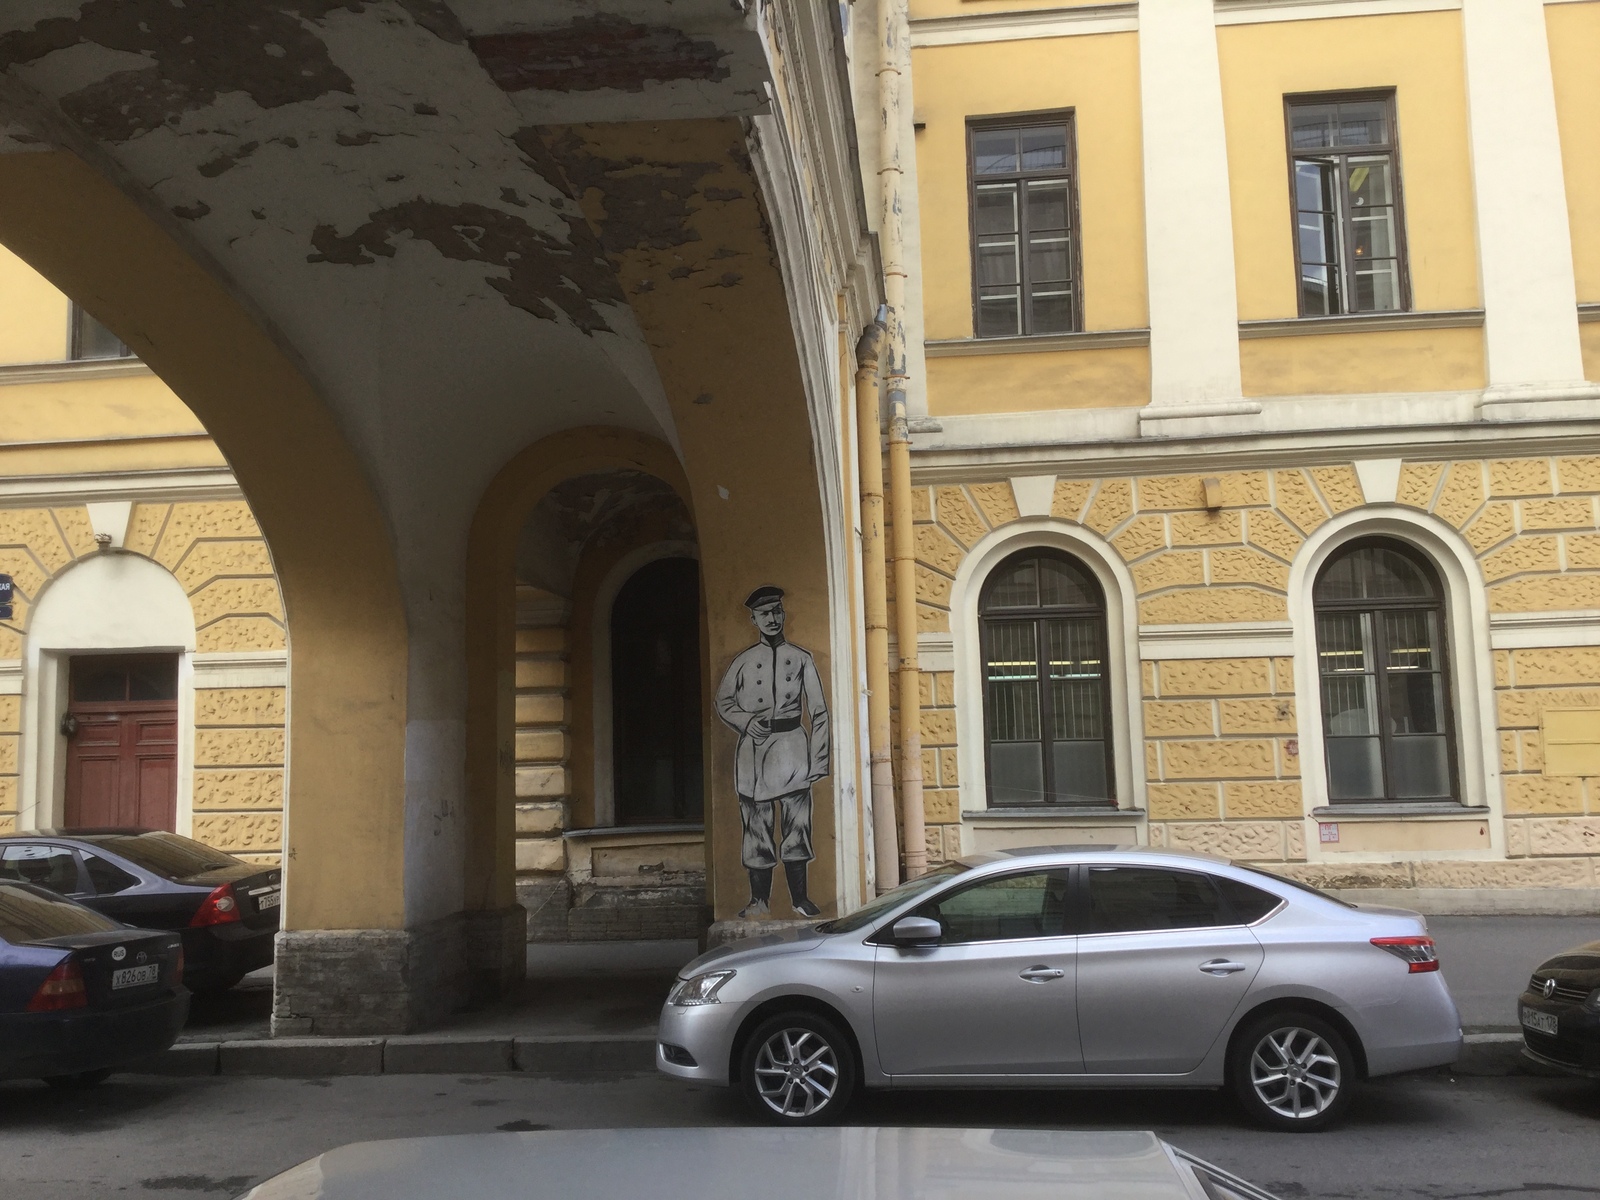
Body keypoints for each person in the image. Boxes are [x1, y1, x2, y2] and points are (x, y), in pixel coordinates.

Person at [714, 585, 830, 918]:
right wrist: (745, 721)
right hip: (754, 750)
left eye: (777, 611)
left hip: (793, 747)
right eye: (765, 614)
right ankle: (759, 900)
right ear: (753, 619)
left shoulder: (802, 658)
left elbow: (819, 712)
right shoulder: (745, 661)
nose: (773, 618)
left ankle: (799, 899)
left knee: (797, 827)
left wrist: (818, 760)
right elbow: (724, 702)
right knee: (756, 827)